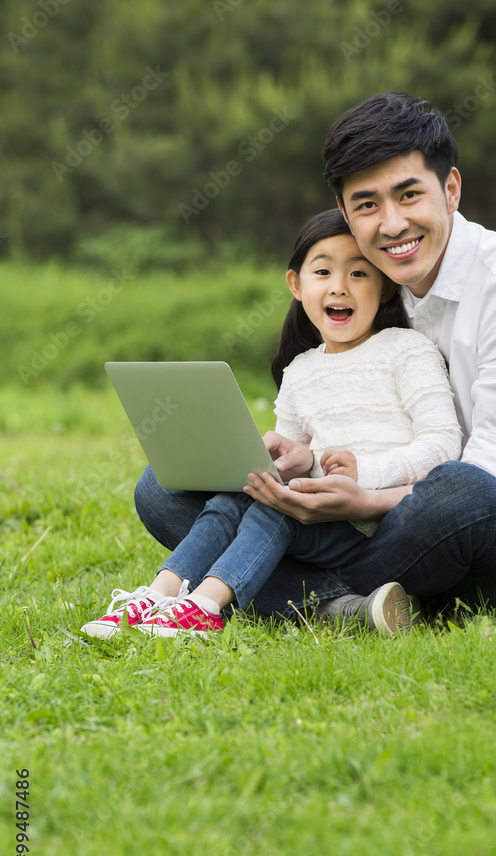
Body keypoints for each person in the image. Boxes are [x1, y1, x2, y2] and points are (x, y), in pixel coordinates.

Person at [135, 91, 496, 622]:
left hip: (490, 536)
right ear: (345, 215)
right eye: (368, 205)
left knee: (461, 489)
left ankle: (303, 595)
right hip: (364, 531)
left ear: (450, 190)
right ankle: (357, 608)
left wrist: (362, 501)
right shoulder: (368, 284)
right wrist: (294, 467)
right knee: (165, 488)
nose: (393, 224)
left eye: (408, 195)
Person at [81, 209, 461, 638]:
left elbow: (444, 446)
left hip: (377, 521)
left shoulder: (408, 350)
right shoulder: (299, 370)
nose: (339, 286)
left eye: (359, 273)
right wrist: (284, 459)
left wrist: (363, 474)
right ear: (297, 285)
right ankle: (156, 598)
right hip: (316, 519)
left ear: (387, 286)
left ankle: (205, 607)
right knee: (238, 498)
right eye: (323, 271)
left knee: (274, 509)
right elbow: (297, 463)